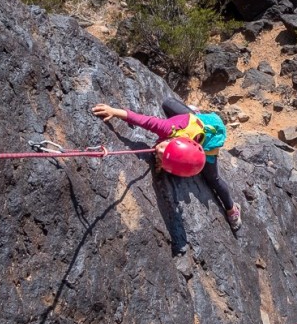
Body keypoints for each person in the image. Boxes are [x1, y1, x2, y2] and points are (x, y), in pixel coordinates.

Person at [92, 98, 241, 230]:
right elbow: (143, 120)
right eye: (163, 148)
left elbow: (184, 167)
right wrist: (114, 112)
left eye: (162, 151)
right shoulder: (168, 127)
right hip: (191, 122)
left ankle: (232, 209)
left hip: (209, 139)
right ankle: (194, 113)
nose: (158, 148)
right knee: (167, 103)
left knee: (214, 180)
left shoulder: (194, 156)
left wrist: (163, 164)